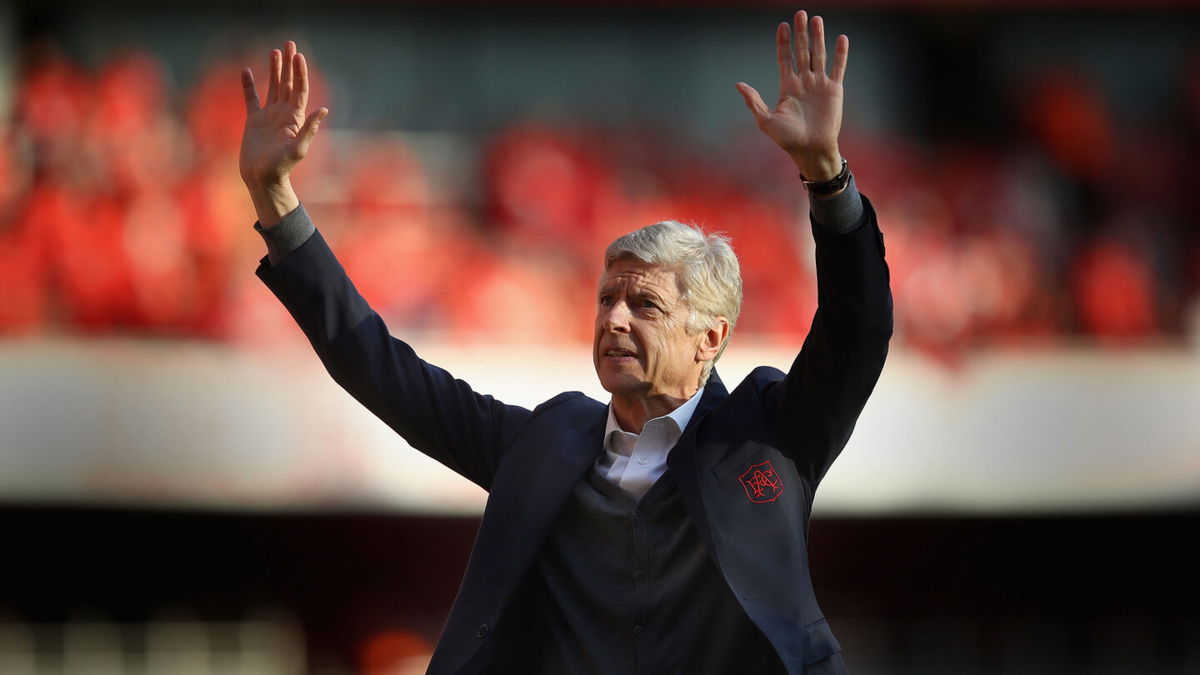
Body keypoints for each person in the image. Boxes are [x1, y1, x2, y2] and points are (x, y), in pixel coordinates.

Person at [239, 10, 891, 674]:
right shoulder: (545, 444)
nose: (614, 319)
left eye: (644, 305)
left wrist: (827, 176)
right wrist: (276, 202)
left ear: (711, 337)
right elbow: (377, 366)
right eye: (607, 298)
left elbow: (858, 327)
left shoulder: (770, 432)